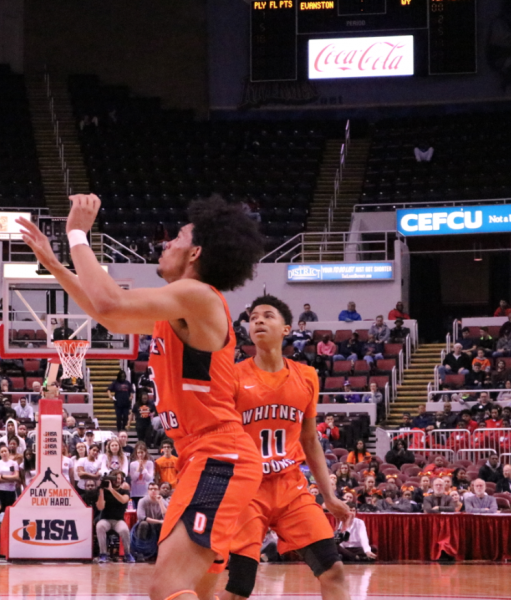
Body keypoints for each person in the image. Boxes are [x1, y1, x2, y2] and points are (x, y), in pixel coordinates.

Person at [19, 194, 265, 600]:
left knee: (167, 588)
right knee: (200, 593)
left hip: (219, 455)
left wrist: (78, 232)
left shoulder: (198, 296)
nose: (165, 242)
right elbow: (108, 315)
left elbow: (108, 301)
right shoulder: (180, 306)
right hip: (205, 458)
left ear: (196, 252)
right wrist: (53, 264)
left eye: (177, 238)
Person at [198, 296, 352, 600]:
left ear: (286, 329)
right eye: (253, 317)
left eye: (268, 316)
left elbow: (310, 440)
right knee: (240, 587)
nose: (258, 321)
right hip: (246, 489)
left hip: (290, 487)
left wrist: (329, 496)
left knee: (333, 570)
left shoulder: (306, 376)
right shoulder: (232, 376)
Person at [95, 470, 133, 563]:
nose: (117, 480)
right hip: (106, 519)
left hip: (118, 520)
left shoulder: (124, 491)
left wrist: (111, 490)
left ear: (122, 480)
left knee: (124, 529)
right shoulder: (104, 491)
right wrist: (101, 490)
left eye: (119, 478)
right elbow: (100, 507)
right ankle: (103, 553)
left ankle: (127, 554)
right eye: (115, 478)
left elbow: (123, 500)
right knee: (100, 526)